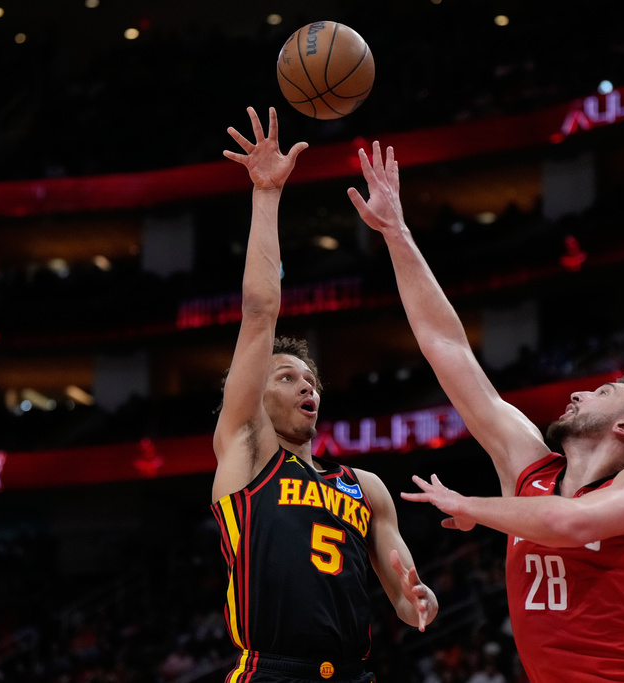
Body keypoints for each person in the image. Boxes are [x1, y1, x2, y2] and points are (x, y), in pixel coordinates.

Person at [348, 141, 624, 682]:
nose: (580, 394)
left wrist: (471, 506)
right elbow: (447, 347)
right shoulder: (528, 469)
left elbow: (565, 522)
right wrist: (397, 233)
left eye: (603, 393)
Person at [212, 108, 438, 683]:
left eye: (310, 380)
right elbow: (259, 313)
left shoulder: (365, 488)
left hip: (353, 673)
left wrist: (419, 599)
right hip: (269, 670)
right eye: (287, 377)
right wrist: (267, 194)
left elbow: (403, 591)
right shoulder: (246, 451)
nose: (306, 385)